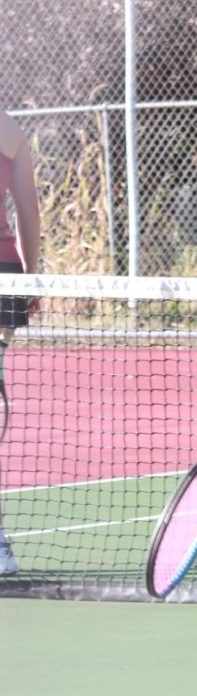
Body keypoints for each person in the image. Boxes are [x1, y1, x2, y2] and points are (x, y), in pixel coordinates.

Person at [0, 111, 42, 575]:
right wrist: (31, 279)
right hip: (6, 278)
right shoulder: (9, 127)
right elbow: (29, 210)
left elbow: (27, 209)